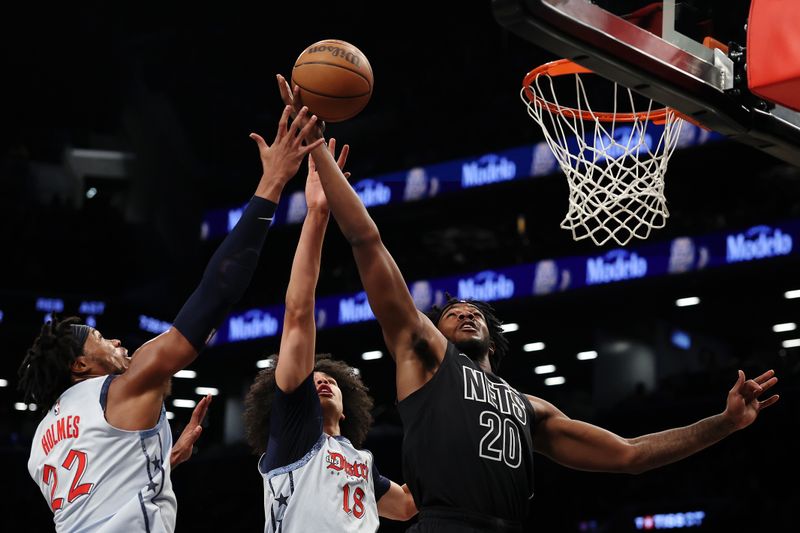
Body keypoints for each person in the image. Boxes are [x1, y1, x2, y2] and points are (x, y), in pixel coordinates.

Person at [277, 75, 781, 532]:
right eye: (451, 313)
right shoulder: (426, 356)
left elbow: (630, 455)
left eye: (475, 312)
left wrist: (725, 422)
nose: (466, 312)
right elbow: (368, 242)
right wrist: (318, 148)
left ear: (494, 338)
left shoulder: (530, 407)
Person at [17, 106, 325, 532]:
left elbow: (96, 498)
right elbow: (215, 294)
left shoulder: (39, 445)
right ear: (79, 365)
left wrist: (164, 461)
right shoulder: (123, 386)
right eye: (102, 339)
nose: (118, 344)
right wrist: (273, 181)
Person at [242, 138, 417, 532]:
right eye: (314, 380)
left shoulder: (360, 460)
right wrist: (317, 214)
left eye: (331, 381)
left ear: (347, 403)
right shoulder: (293, 432)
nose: (322, 381)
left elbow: (406, 505)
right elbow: (299, 313)